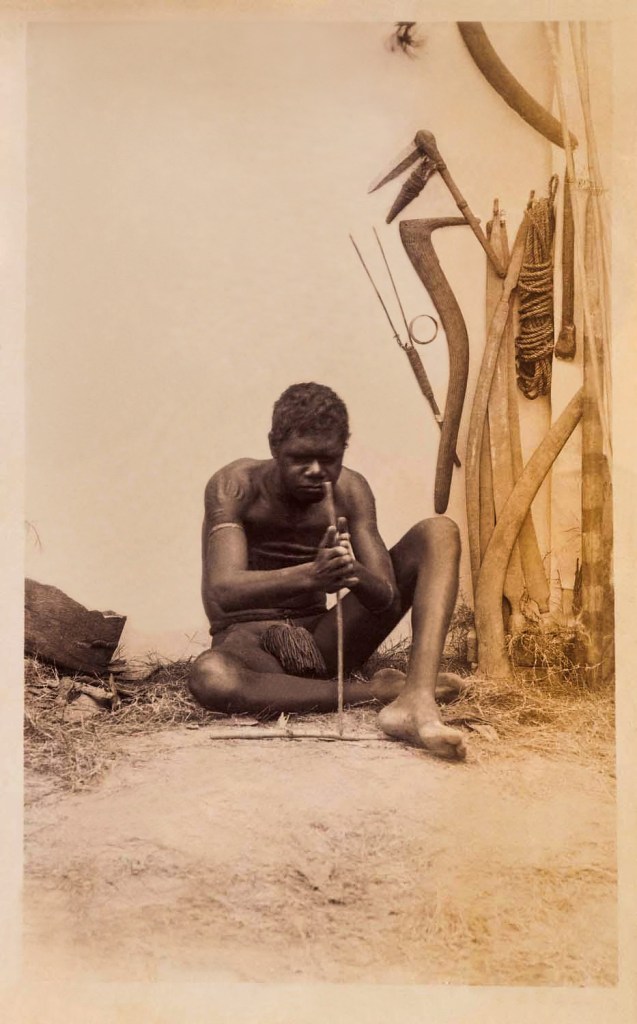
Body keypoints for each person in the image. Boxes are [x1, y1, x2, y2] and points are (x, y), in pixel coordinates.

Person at [189, 382, 467, 760]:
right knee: (211, 677)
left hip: (324, 641)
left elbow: (386, 598)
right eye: (300, 458)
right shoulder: (235, 485)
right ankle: (380, 693)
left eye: (330, 459)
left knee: (440, 532)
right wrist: (311, 576)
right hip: (250, 646)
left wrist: (353, 573)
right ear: (274, 447)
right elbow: (221, 590)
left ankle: (416, 698)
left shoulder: (350, 489)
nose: (317, 471)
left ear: (343, 451)